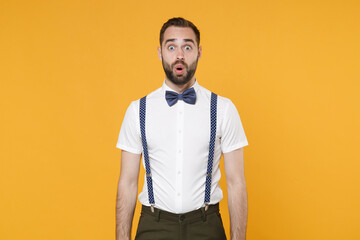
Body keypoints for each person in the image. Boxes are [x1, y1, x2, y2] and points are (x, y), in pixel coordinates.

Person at [116, 17, 248, 240]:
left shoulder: (223, 109)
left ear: (199, 52)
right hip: (153, 226)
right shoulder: (138, 110)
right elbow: (127, 182)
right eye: (171, 47)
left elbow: (237, 183)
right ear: (160, 53)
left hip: (206, 227)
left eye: (187, 47)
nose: (179, 55)